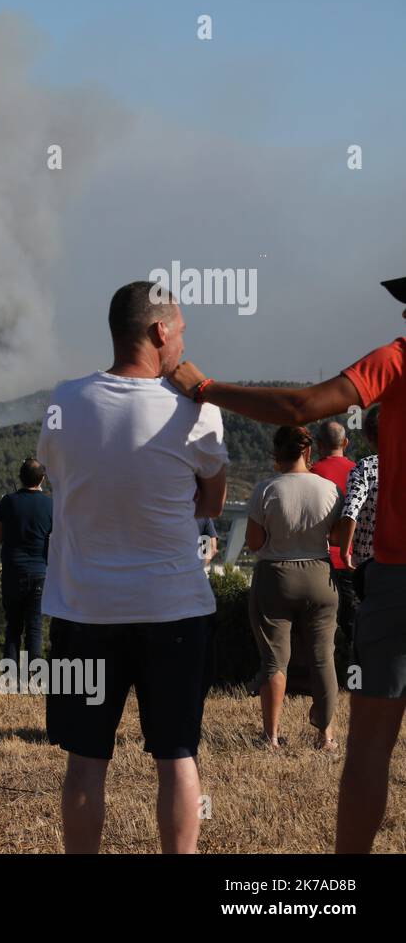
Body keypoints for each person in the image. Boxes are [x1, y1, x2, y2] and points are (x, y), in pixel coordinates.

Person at [167, 276, 404, 853]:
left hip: (400, 579)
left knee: (370, 747)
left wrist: (206, 387)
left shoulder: (395, 361)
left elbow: (300, 406)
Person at [36, 282, 228, 854]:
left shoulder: (63, 400)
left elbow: (61, 478)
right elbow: (212, 504)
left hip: (83, 608)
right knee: (176, 756)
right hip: (174, 609)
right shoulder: (197, 407)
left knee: (85, 759)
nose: (184, 343)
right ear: (160, 331)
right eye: (183, 330)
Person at [244, 426, 341, 751]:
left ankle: (271, 736)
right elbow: (339, 536)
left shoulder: (265, 490)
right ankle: (325, 736)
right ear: (309, 452)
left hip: (276, 575)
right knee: (323, 656)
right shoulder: (328, 489)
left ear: (275, 455)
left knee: (274, 659)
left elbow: (255, 543)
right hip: (319, 575)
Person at [0, 458, 52, 673]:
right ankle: (36, 677)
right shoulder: (50, 504)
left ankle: (9, 678)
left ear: (20, 478)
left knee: (13, 626)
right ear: (42, 479)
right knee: (35, 626)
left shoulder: (8, 501)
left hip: (13, 572)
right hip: (40, 573)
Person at [311, 420, 358, 637]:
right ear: (346, 443)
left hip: (318, 561)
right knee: (352, 630)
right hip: (352, 561)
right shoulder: (358, 472)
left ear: (319, 444)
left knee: (320, 631)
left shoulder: (311, 474)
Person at [334, 404, 379, 603]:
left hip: (368, 566)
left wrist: (345, 552)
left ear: (369, 437)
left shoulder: (364, 467)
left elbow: (351, 510)